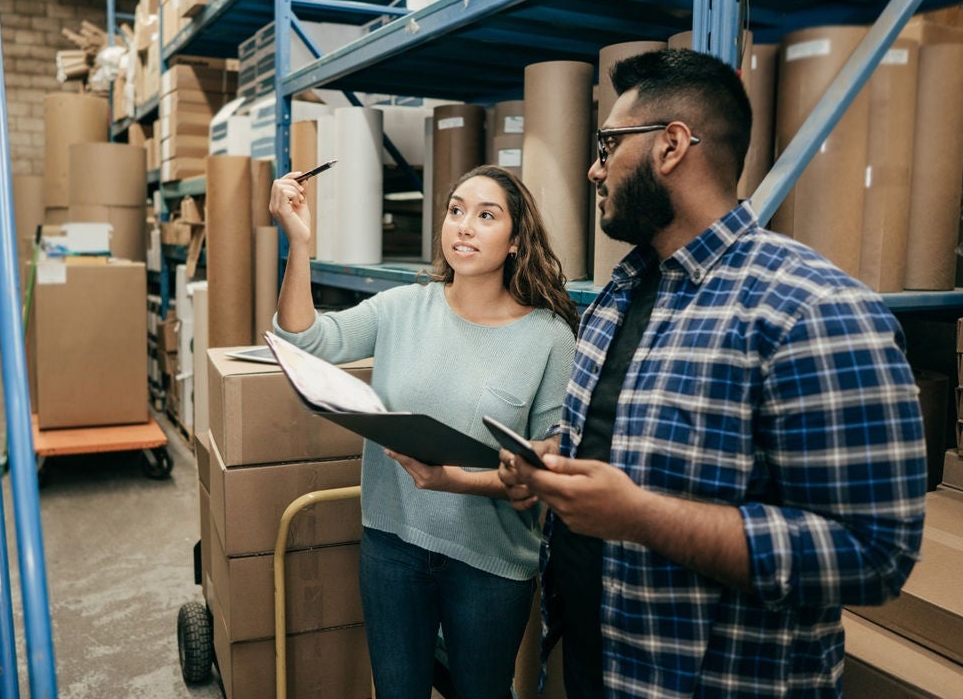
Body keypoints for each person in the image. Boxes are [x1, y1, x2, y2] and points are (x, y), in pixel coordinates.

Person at [499, 48, 927, 699]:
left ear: (671, 146)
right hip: (598, 667)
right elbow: (635, 447)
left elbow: (875, 556)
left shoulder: (811, 310)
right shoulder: (620, 293)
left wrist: (639, 516)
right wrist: (557, 465)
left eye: (610, 143)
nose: (594, 167)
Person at [269, 164, 579, 699]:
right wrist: (298, 243)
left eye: (486, 215)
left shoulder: (549, 338)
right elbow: (304, 339)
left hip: (490, 561)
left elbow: (542, 474)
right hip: (393, 545)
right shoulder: (402, 307)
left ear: (514, 242)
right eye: (456, 210)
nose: (464, 225)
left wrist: (453, 480)